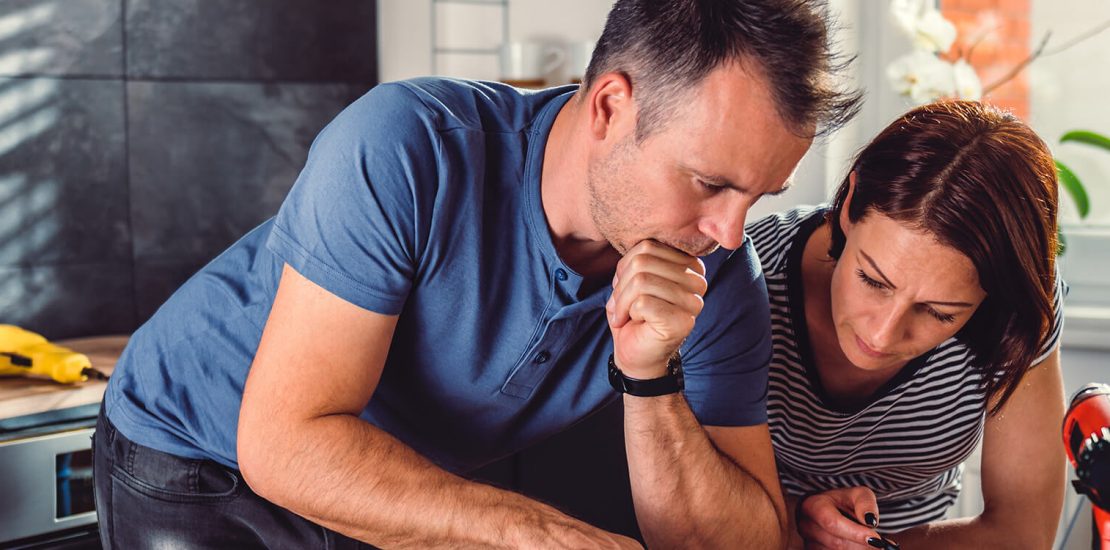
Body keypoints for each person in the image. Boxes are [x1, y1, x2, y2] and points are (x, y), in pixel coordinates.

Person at [93, 0, 861, 547]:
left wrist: (650, 375)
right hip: (197, 452)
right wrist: (533, 533)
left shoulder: (719, 269)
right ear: (610, 108)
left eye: (758, 196)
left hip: (385, 479)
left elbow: (746, 542)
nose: (730, 232)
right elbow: (287, 443)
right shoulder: (406, 144)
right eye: (710, 182)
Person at [745, 100, 1066, 549]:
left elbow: (1023, 532)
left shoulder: (1017, 311)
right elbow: (690, 488)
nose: (881, 336)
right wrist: (795, 519)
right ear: (851, 203)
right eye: (872, 280)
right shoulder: (747, 278)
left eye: (939, 312)